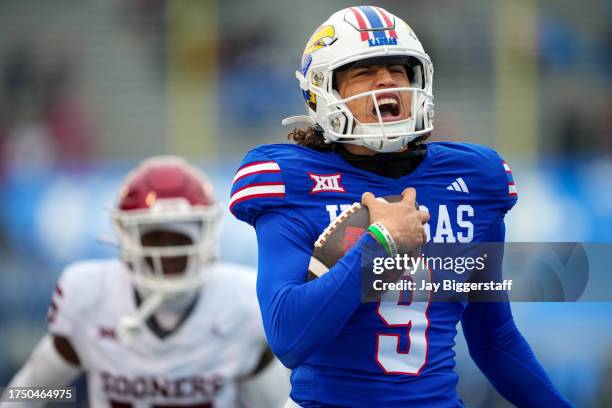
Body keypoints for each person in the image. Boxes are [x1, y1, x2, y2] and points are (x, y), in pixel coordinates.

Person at [229, 6, 573, 407]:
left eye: (398, 68)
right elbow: (289, 338)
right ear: (324, 91)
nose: (387, 81)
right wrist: (380, 246)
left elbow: (494, 338)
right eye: (364, 71)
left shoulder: (474, 178)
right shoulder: (291, 180)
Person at [2, 156, 289, 408]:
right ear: (127, 237)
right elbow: (28, 394)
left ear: (206, 236)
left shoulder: (240, 303)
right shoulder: (88, 295)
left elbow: (276, 403)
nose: (167, 251)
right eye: (154, 237)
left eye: (179, 238)